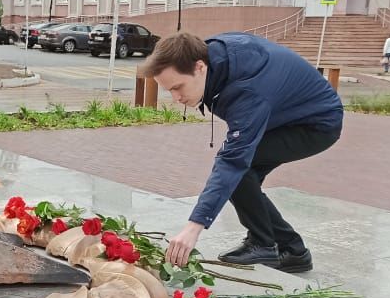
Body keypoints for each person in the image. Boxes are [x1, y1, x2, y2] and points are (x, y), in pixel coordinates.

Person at [140, 31, 344, 273]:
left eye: (178, 87)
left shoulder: (247, 90)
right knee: (240, 175)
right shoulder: (214, 57)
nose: (175, 98)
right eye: (168, 91)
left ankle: (269, 245)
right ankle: (288, 249)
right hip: (284, 115)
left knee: (237, 169)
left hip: (316, 124)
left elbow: (232, 161)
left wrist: (194, 227)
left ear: (199, 67)